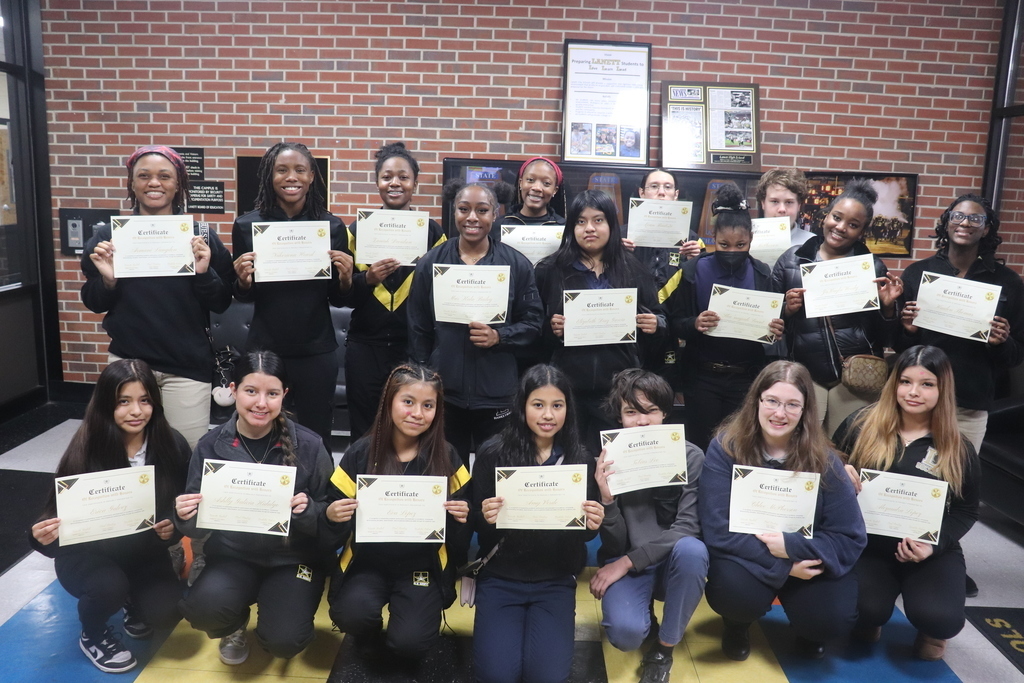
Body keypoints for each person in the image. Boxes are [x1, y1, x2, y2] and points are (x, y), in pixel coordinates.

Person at [699, 361, 866, 661]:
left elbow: (850, 537)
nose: (780, 413)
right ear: (756, 401)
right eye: (772, 401)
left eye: (792, 404)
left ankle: (809, 630)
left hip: (807, 555)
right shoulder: (725, 449)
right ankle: (737, 624)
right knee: (733, 595)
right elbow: (717, 528)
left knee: (831, 619)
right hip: (750, 556)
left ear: (805, 411)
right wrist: (783, 566)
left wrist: (791, 547)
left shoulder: (826, 460)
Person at [174, 350, 333, 665]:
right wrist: (185, 517)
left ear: (283, 395)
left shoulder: (311, 445)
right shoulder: (209, 445)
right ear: (233, 391)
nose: (261, 403)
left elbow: (332, 517)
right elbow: (196, 528)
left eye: (272, 393)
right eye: (251, 391)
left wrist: (310, 510)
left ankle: (279, 613)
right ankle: (234, 623)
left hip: (293, 558)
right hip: (234, 555)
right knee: (202, 611)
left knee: (285, 641)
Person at [30, 359, 189, 673]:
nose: (136, 411)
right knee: (108, 588)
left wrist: (175, 525)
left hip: (142, 552)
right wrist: (40, 537)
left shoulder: (173, 445)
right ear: (106, 405)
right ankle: (93, 632)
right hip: (88, 556)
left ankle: (134, 600)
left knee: (167, 612)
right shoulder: (84, 450)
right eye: (123, 402)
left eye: (145, 400)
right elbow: (51, 521)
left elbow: (184, 504)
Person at [81, 145, 233, 449]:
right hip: (128, 365)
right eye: (144, 176)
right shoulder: (108, 238)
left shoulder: (200, 235)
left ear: (178, 184)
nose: (154, 183)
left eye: (164, 176)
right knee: (125, 455)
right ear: (132, 183)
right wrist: (108, 282)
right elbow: (94, 302)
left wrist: (203, 273)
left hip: (186, 371)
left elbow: (222, 301)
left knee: (186, 456)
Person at [834, 345, 979, 661]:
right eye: (905, 381)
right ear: (893, 384)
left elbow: (967, 510)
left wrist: (933, 546)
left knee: (941, 618)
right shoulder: (860, 424)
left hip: (928, 551)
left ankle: (930, 629)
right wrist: (837, 470)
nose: (914, 392)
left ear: (942, 389)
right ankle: (872, 616)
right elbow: (823, 462)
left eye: (927, 384)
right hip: (869, 547)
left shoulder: (958, 446)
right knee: (861, 610)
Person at [321, 364, 471, 661]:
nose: (417, 413)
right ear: (389, 402)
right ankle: (369, 631)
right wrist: (331, 514)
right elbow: (329, 515)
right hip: (367, 562)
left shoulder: (448, 456)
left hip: (422, 566)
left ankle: (407, 628)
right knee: (352, 614)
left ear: (437, 410)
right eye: (408, 402)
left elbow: (462, 534)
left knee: (410, 643)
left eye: (428, 405)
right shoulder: (359, 453)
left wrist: (462, 517)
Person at [471, 364, 605, 683]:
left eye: (557, 405)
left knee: (547, 677)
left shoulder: (580, 459)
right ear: (522, 406)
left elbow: (585, 536)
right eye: (538, 405)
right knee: (496, 677)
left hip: (555, 579)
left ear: (568, 409)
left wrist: (594, 523)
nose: (548, 415)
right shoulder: (493, 454)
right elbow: (476, 524)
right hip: (501, 577)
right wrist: (485, 516)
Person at [408, 181, 543, 463]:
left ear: (495, 214)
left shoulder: (516, 264)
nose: (472, 217)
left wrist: (500, 337)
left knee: (495, 469)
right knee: (445, 468)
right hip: (444, 390)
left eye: (482, 210)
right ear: (453, 212)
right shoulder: (431, 263)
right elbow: (418, 326)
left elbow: (533, 322)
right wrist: (425, 377)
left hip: (497, 393)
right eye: (464, 209)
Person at [232, 142, 354, 447]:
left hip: (316, 350)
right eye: (282, 170)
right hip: (265, 349)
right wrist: (243, 281)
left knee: (316, 436)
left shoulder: (331, 226)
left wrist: (347, 278)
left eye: (300, 169)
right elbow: (243, 296)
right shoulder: (247, 226)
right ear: (269, 176)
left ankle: (314, 495)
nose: (292, 177)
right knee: (260, 432)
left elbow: (338, 298)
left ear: (312, 176)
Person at [591, 369, 707, 683]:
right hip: (627, 559)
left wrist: (627, 562)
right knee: (626, 635)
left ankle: (664, 648)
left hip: (672, 562)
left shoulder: (692, 457)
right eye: (631, 412)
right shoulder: (608, 460)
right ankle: (645, 619)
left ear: (665, 412)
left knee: (693, 550)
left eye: (651, 411)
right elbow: (614, 546)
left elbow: (688, 528)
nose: (642, 422)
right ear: (619, 416)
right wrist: (608, 500)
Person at [536, 189, 666, 455]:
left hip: (619, 389)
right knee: (567, 457)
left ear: (611, 225)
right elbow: (532, 327)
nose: (589, 229)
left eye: (598, 220)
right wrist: (550, 329)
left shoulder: (632, 269)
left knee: (616, 461)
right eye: (581, 222)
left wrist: (656, 324)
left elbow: (660, 317)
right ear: (571, 227)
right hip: (566, 387)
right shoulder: (550, 269)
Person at [771, 179, 903, 435]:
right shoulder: (790, 261)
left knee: (847, 449)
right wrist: (786, 309)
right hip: (806, 373)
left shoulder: (872, 268)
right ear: (825, 216)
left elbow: (887, 338)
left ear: (862, 231)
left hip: (856, 376)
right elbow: (770, 325)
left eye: (853, 225)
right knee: (804, 447)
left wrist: (887, 309)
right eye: (837, 217)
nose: (841, 228)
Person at [896, 193, 1024, 452]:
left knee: (959, 483)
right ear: (947, 223)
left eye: (975, 219)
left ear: (986, 228)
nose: (965, 223)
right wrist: (908, 332)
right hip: (916, 401)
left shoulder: (1007, 282)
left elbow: (1015, 356)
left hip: (969, 404)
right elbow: (899, 346)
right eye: (958, 216)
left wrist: (1000, 343)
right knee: (910, 478)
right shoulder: (917, 274)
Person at [663, 182, 785, 451]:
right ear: (712, 238)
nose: (732, 251)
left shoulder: (763, 273)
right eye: (723, 244)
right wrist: (694, 323)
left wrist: (776, 328)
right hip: (702, 377)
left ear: (751, 240)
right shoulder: (693, 271)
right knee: (701, 445)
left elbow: (774, 327)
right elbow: (674, 323)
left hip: (746, 378)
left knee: (739, 447)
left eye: (740, 244)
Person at [344, 142, 447, 439]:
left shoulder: (433, 234)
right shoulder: (356, 232)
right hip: (365, 345)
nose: (395, 183)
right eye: (387, 176)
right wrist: (368, 279)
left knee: (409, 430)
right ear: (377, 182)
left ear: (414, 183)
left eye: (403, 177)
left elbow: (438, 296)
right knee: (363, 428)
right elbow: (342, 297)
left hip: (412, 347)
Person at [492, 156, 566, 236]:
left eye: (546, 183)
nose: (537, 188)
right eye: (530, 180)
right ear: (521, 183)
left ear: (555, 190)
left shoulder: (564, 229)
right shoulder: (497, 226)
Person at [755, 168, 815, 246]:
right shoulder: (746, 241)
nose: (782, 209)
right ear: (763, 203)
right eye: (775, 201)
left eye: (789, 202)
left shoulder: (812, 244)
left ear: (798, 206)